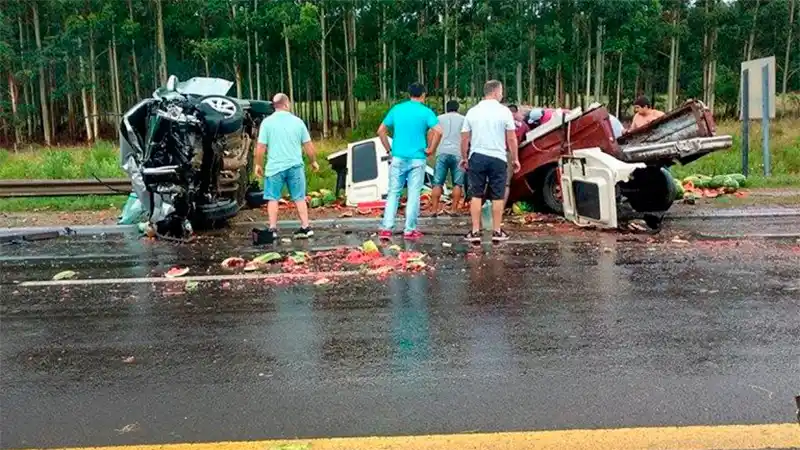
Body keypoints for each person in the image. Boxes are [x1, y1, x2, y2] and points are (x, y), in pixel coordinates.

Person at [377, 83, 443, 240]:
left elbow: (381, 131)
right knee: (414, 193)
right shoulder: (426, 112)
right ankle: (409, 229)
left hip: (398, 157)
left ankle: (386, 228)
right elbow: (439, 131)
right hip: (417, 158)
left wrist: (389, 150)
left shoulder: (397, 109)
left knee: (394, 192)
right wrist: (431, 149)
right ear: (423, 95)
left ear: (409, 94)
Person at [253, 93, 319, 240]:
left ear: (274, 106)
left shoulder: (267, 123)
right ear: (287, 104)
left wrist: (258, 164)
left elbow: (261, 146)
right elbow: (308, 145)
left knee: (273, 198)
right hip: (295, 166)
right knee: (299, 197)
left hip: (274, 168)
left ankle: (272, 229)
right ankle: (306, 227)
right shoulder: (298, 122)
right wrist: (313, 161)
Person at [461, 80, 519, 243]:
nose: (502, 95)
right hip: (498, 158)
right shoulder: (504, 112)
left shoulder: (473, 111)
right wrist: (515, 158)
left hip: (477, 156)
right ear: (495, 92)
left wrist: (464, 157)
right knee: (497, 196)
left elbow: (464, 137)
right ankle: (497, 230)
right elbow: (511, 138)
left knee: (476, 194)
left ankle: (475, 231)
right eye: (501, 92)